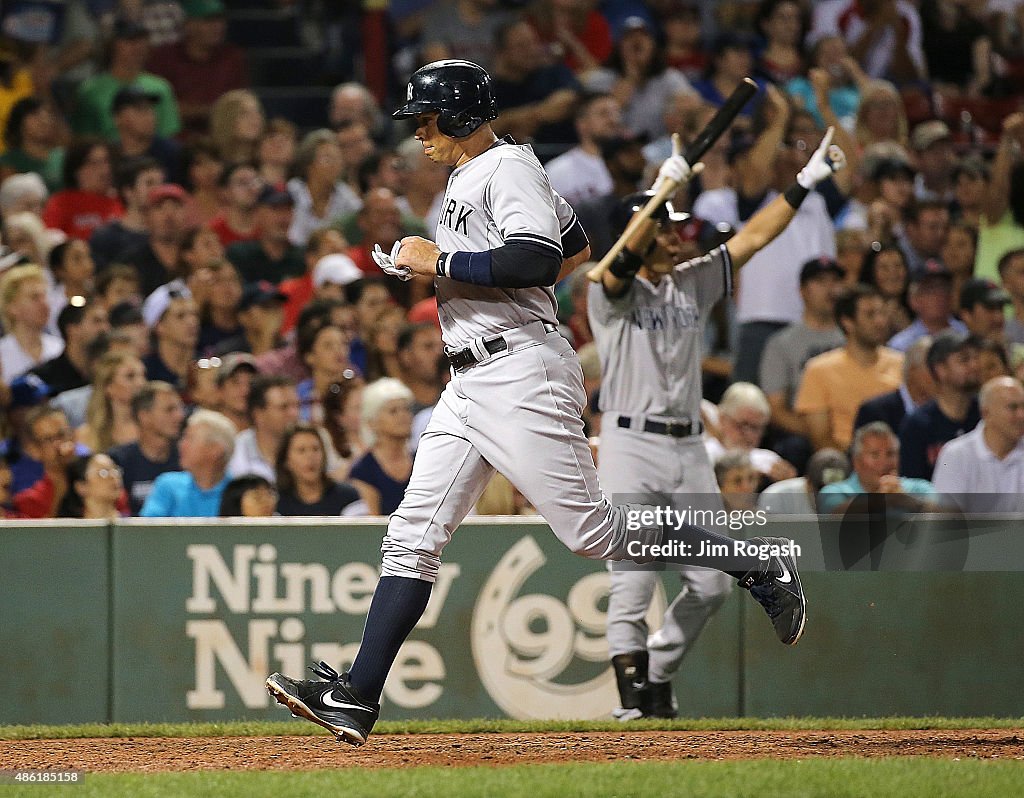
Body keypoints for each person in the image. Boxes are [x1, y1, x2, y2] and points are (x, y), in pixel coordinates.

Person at [266, 60, 812, 745]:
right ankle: (357, 695)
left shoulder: (506, 169)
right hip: (470, 381)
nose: (419, 132)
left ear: (462, 115)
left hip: (520, 368)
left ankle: (756, 563)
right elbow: (577, 246)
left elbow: (534, 258)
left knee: (594, 535)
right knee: (411, 536)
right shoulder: (479, 173)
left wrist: (438, 263)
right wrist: (457, 265)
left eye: (428, 118)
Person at [794, 284, 904, 452]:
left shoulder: (902, 364)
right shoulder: (818, 370)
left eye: (882, 313)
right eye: (870, 315)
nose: (880, 321)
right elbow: (820, 437)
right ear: (848, 322)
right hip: (844, 461)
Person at [932, 376, 1024, 512]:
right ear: (986, 413)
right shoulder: (956, 454)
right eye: (1013, 407)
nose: (1022, 415)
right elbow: (946, 519)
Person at [898, 330, 982, 480]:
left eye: (976, 358)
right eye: (964, 360)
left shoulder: (986, 414)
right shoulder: (918, 425)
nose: (974, 365)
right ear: (940, 370)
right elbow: (912, 485)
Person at [817, 421, 937, 514]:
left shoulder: (919, 487)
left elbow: (945, 513)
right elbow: (835, 514)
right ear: (856, 461)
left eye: (890, 454)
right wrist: (880, 500)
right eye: (875, 455)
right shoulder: (835, 491)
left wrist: (906, 501)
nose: (884, 462)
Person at [139, 408, 235, 517]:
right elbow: (146, 531)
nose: (181, 445)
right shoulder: (167, 486)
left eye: (189, 438)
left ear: (215, 450)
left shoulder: (239, 493)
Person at [109, 380, 184, 515]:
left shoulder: (186, 458)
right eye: (169, 409)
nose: (179, 416)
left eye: (179, 408)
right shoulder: (119, 461)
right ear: (144, 416)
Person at [347, 377, 415, 515]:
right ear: (373, 422)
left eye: (406, 409)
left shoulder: (423, 460)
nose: (403, 416)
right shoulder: (363, 470)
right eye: (393, 411)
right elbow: (372, 524)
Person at [275, 423, 367, 516]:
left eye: (315, 449)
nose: (310, 456)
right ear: (286, 461)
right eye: (301, 450)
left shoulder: (348, 496)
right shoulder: (277, 502)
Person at [853, 334, 935, 437]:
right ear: (913, 371)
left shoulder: (942, 411)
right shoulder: (875, 411)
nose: (940, 375)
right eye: (932, 369)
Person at [226, 375, 300, 483]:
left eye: (297, 406)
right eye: (283, 407)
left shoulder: (314, 441)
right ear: (258, 414)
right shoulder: (236, 452)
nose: (294, 414)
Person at [30, 298, 110, 397]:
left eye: (106, 322)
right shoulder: (43, 379)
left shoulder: (110, 374)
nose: (105, 328)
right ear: (72, 330)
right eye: (97, 321)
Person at [0, 264, 64, 384]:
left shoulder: (58, 348)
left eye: (44, 296)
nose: (44, 304)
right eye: (34, 298)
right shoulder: (2, 355)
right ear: (12, 307)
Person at [887, 259, 966, 352]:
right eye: (930, 290)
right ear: (914, 299)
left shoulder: (967, 334)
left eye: (944, 289)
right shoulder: (900, 345)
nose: (939, 296)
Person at [77, 351, 148, 452]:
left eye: (143, 375)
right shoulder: (86, 435)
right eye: (130, 376)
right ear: (108, 386)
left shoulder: (153, 428)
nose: (141, 383)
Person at [56, 452, 126, 519]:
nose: (113, 476)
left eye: (115, 470)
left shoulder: (131, 524)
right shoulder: (69, 529)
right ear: (81, 486)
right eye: (103, 473)